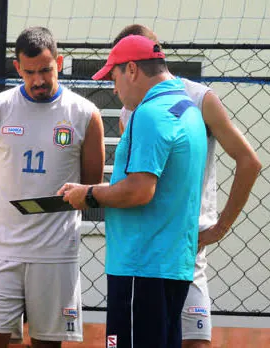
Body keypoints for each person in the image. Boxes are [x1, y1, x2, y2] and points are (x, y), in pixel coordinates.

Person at [113, 24, 262, 348]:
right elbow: (136, 184)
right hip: (147, 249)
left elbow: (249, 162)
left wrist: (218, 228)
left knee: (195, 342)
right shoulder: (129, 109)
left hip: (186, 247)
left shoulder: (199, 98)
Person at [59, 35, 209, 347]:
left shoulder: (150, 113)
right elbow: (157, 185)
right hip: (172, 266)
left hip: (141, 268)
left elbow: (140, 191)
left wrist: (89, 195)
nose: (114, 89)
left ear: (131, 70)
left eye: (113, 77)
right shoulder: (187, 109)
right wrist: (91, 188)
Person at [0, 26, 105, 348]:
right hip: (2, 249)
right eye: (29, 72)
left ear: (58, 62)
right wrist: (11, 212)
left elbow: (89, 188)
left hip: (55, 253)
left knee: (47, 344)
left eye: (46, 70)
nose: (38, 80)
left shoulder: (85, 114)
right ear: (17, 67)